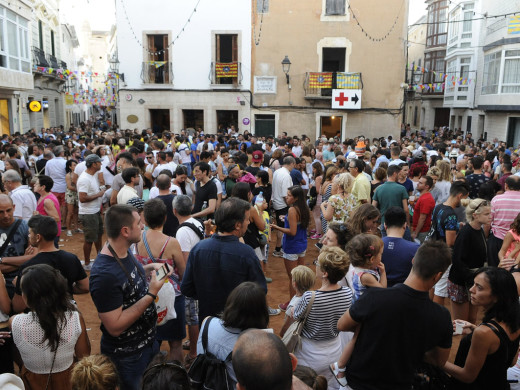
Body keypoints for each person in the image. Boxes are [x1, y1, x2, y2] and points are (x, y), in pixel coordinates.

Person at [337, 240, 453, 390]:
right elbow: (439, 360)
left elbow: (342, 324)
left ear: (413, 261)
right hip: (400, 383)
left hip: (358, 382)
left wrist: (376, 331)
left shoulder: (375, 296)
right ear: (437, 276)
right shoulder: (442, 316)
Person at [89, 205, 172, 390]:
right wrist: (151, 293)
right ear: (125, 231)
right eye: (139, 223)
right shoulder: (104, 274)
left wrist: (149, 267)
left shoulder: (120, 250)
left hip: (147, 345)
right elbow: (115, 327)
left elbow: (126, 280)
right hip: (129, 357)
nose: (143, 226)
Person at [181, 197, 267, 323]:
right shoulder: (246, 253)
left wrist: (207, 296)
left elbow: (187, 288)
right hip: (237, 323)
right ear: (237, 225)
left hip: (208, 323)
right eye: (247, 219)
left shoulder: (198, 249)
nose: (249, 222)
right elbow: (260, 291)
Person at [10, 264, 91, 389]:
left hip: (33, 381)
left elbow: (18, 357)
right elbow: (83, 355)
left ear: (26, 297)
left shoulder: (15, 322)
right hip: (67, 379)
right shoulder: (74, 318)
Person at [444, 267, 520, 389]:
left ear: (497, 296)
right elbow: (511, 360)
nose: (471, 290)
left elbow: (467, 376)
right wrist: (475, 329)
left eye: (479, 287)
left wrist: (437, 360)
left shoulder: (484, 333)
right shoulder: (514, 320)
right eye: (473, 284)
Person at [293, 246, 352, 389]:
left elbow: (296, 315)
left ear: (324, 273)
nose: (316, 266)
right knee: (329, 385)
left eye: (317, 264)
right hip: (334, 351)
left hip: (309, 353)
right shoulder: (348, 293)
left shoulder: (310, 297)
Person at [135, 198, 185, 363]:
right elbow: (183, 273)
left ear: (145, 219)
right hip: (172, 297)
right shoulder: (171, 243)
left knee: (150, 341)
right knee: (176, 344)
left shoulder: (139, 238)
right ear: (165, 218)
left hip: (147, 295)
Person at [197, 282, 270, 388]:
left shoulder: (207, 322)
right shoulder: (255, 346)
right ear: (260, 313)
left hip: (204, 385)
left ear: (231, 303)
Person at [11, 215, 88, 313]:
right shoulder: (71, 258)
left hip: (41, 317)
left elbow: (18, 307)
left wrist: (19, 286)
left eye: (30, 233)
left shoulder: (28, 267)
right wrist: (63, 289)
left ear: (38, 237)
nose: (29, 236)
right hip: (66, 314)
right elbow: (85, 287)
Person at [172, 194, 204, 367]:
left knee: (192, 317)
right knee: (195, 315)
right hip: (199, 275)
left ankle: (193, 353)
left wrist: (185, 283)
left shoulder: (182, 231)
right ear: (191, 208)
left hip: (191, 279)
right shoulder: (196, 222)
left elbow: (184, 260)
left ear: (174, 210)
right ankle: (194, 345)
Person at [448, 199, 492, 324]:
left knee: (472, 320)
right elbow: (457, 261)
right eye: (486, 214)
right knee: (461, 323)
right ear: (475, 215)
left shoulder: (480, 230)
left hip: (473, 280)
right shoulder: (466, 233)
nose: (490, 217)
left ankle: (469, 343)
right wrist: (473, 278)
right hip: (461, 282)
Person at [429, 181, 470, 305]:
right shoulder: (451, 215)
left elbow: (438, 226)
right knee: (440, 291)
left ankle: (429, 309)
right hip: (444, 255)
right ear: (460, 196)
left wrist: (457, 226)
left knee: (432, 284)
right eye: (465, 198)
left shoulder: (439, 206)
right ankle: (435, 317)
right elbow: (450, 242)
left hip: (433, 250)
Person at [271, 186, 310, 303]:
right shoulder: (304, 208)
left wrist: (277, 227)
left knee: (293, 278)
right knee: (300, 277)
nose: (286, 198)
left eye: (289, 196)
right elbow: (298, 225)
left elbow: (292, 232)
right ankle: (301, 300)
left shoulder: (292, 210)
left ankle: (292, 303)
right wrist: (287, 219)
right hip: (302, 245)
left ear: (296, 198)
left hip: (292, 247)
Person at [77, 154, 106, 270]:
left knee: (98, 235)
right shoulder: (84, 179)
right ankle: (87, 263)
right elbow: (82, 198)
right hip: (88, 213)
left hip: (94, 211)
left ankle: (99, 257)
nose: (101, 164)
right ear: (94, 164)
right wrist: (99, 194)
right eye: (99, 162)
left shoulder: (92, 175)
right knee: (89, 239)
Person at [382, 207, 419, 287]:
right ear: (405, 225)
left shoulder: (375, 245)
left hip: (380, 292)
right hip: (406, 293)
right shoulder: (416, 248)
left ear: (385, 225)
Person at [489, 175, 520, 267]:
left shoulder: (496, 199)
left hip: (497, 239)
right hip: (517, 241)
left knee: (494, 272)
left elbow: (489, 220)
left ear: (506, 186)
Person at [372, 164, 410, 236]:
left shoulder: (379, 189)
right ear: (394, 174)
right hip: (399, 224)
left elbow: (373, 207)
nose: (400, 176)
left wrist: (377, 223)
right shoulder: (402, 189)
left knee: (385, 245)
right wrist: (407, 223)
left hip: (385, 223)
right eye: (399, 174)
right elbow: (406, 209)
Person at [280, 265, 316, 338]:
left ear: (294, 284)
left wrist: (282, 333)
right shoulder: (315, 296)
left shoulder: (293, 305)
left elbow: (286, 327)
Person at [272, 156, 296, 257]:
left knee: (280, 227)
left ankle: (279, 248)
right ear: (291, 164)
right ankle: (279, 249)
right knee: (283, 228)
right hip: (283, 205)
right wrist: (291, 206)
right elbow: (286, 195)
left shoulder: (277, 171)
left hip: (277, 203)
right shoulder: (286, 175)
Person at [33, 175, 62, 246]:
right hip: (47, 232)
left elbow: (56, 218)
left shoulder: (47, 201)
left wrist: (39, 217)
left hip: (50, 234)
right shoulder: (43, 196)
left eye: (36, 184)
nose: (34, 185)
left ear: (43, 187)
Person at [44, 145, 67, 226]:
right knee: (64, 206)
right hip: (64, 187)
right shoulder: (65, 162)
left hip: (53, 188)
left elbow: (47, 176)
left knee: (54, 205)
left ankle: (56, 222)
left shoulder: (49, 162)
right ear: (61, 153)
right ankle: (63, 223)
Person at [411, 175, 436, 243]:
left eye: (421, 183)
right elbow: (419, 211)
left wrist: (416, 233)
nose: (418, 184)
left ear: (427, 186)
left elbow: (422, 218)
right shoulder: (422, 196)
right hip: (419, 230)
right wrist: (413, 205)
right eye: (419, 182)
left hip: (422, 232)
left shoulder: (426, 199)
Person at [65, 159, 79, 237]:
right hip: (71, 194)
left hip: (75, 193)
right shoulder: (68, 175)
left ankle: (76, 227)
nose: (75, 166)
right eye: (74, 165)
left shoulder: (76, 174)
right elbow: (70, 187)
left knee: (76, 212)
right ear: (70, 167)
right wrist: (79, 189)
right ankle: (68, 229)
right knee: (70, 212)